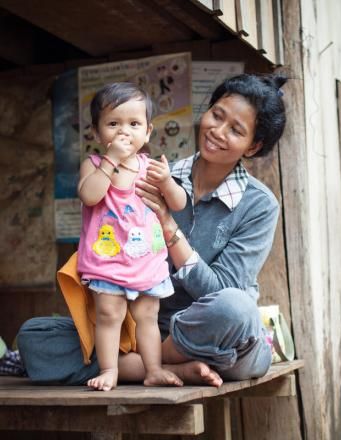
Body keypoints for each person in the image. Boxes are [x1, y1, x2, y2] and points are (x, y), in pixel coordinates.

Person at [18, 73, 287, 387]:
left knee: (235, 308)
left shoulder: (259, 204)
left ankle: (153, 361)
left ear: (253, 147)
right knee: (35, 338)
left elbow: (221, 290)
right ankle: (166, 367)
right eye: (216, 115)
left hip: (207, 327)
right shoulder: (155, 173)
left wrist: (169, 224)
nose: (218, 131)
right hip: (144, 323)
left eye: (236, 130)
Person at [77, 82, 187, 390]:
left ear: (148, 132)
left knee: (148, 317)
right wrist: (110, 160)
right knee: (109, 314)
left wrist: (167, 182)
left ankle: (152, 369)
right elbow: (89, 196)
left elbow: (178, 204)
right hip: (108, 260)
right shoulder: (95, 164)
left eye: (134, 124)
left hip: (146, 261)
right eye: (113, 124)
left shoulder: (150, 167)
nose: (124, 132)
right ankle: (110, 369)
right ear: (97, 134)